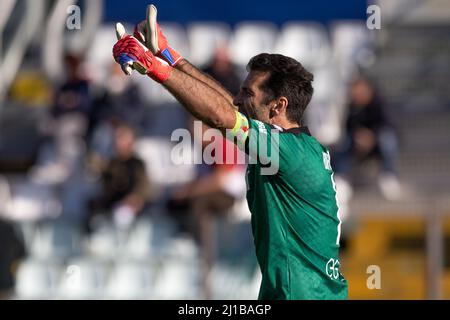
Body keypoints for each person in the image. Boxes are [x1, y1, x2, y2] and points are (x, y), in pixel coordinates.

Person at [111, 4, 347, 299]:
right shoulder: (292, 145)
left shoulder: (286, 151)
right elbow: (229, 107)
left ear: (279, 105)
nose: (238, 98)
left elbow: (222, 115)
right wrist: (169, 56)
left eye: (248, 93)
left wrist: (153, 67)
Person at [333, 76, 401, 200]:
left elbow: (388, 124)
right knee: (344, 143)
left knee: (387, 138)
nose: (356, 96)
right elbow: (349, 126)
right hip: (358, 143)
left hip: (378, 143)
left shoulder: (380, 102)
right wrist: (359, 135)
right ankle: (341, 179)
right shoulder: (353, 106)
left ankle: (388, 176)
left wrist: (372, 136)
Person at [85, 122, 152, 232]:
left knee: (122, 215)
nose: (117, 141)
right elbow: (104, 182)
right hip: (112, 205)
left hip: (131, 208)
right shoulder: (111, 163)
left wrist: (135, 199)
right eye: (116, 138)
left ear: (131, 141)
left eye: (121, 138)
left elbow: (142, 188)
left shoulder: (137, 164)